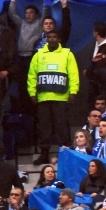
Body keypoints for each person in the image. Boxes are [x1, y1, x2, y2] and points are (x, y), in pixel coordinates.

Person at [28, 29, 78, 163]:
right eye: (49, 37)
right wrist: (32, 93)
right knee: (44, 128)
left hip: (61, 98)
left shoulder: (67, 54)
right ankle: (44, 154)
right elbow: (32, 76)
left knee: (62, 127)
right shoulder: (38, 55)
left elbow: (73, 74)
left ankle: (65, 153)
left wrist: (73, 92)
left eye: (54, 37)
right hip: (43, 98)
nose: (52, 39)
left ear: (59, 39)